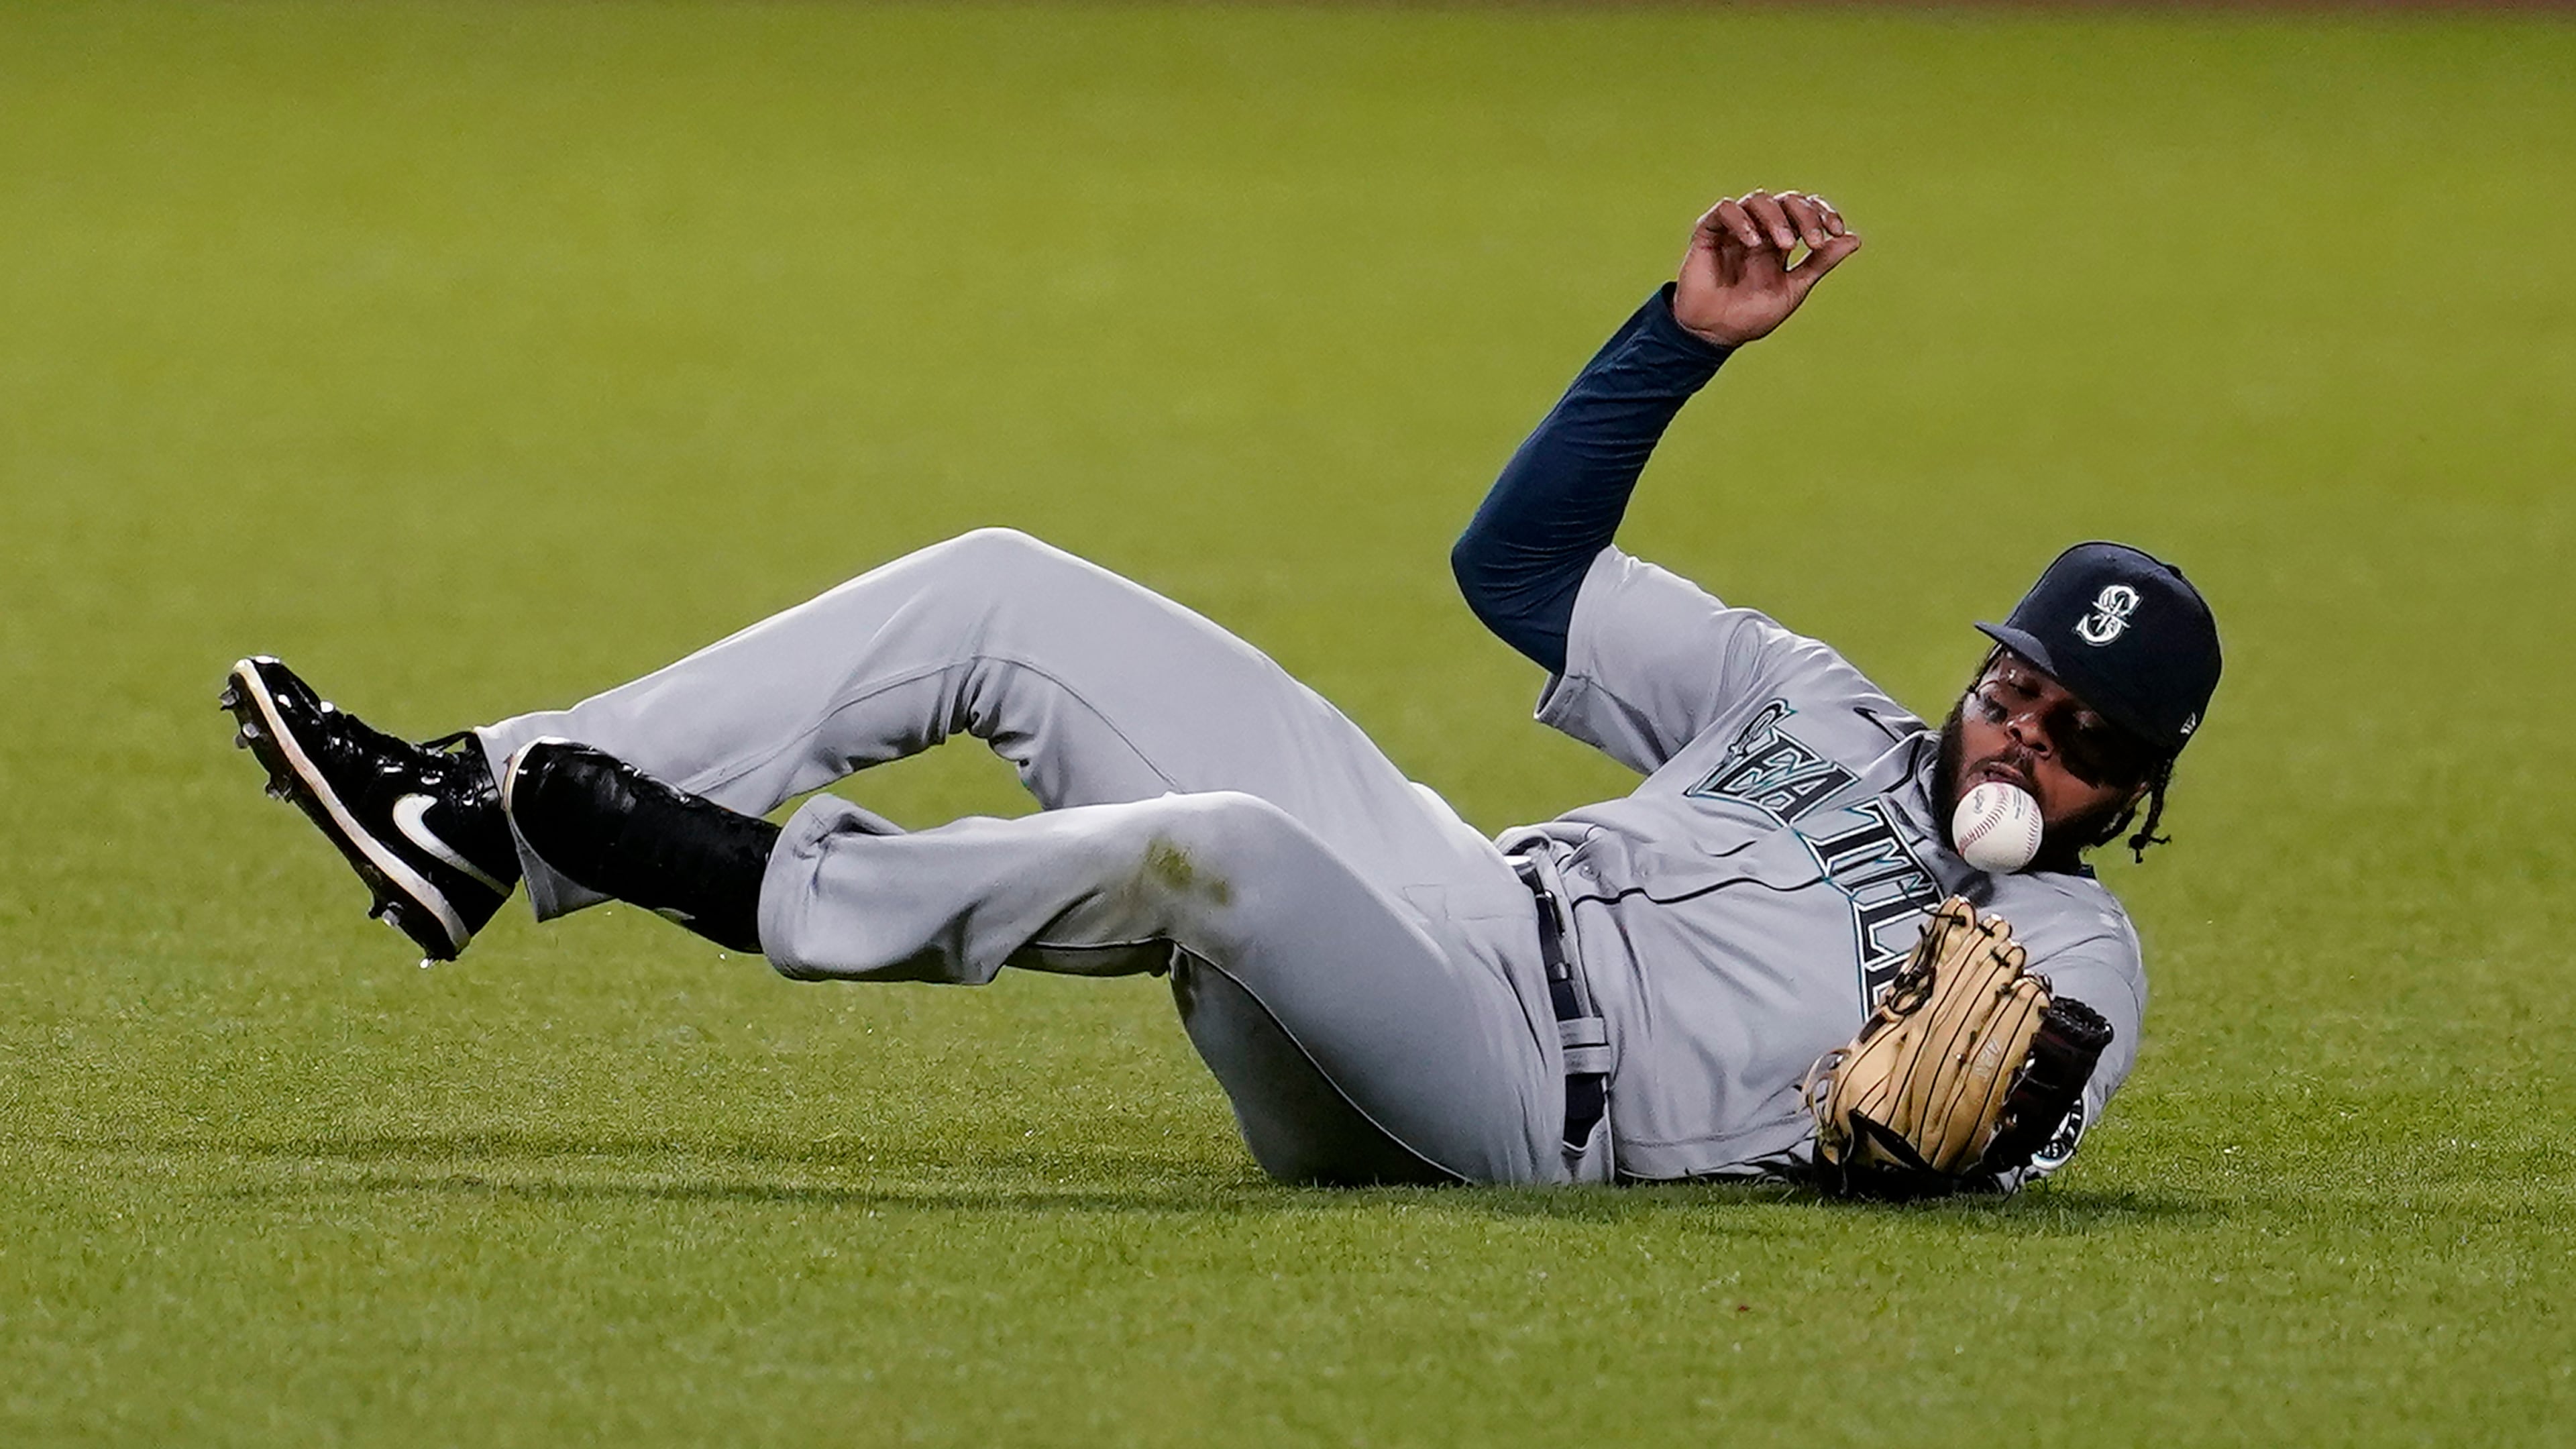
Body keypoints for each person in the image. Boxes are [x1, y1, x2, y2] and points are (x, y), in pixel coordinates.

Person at [223, 189, 2220, 1191]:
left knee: (1231, 859)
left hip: (1516, 1104)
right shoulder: (1807, 698)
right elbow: (1514, 570)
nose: (2030, 743)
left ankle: (763, 890)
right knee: (1005, 587)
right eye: (2026, 690)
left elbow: (2002, 1128)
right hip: (1448, 902)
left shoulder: (2075, 945)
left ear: (2132, 793)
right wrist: (1678, 343)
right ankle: (466, 815)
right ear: (1993, 665)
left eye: (2086, 747)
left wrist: (1961, 1141)